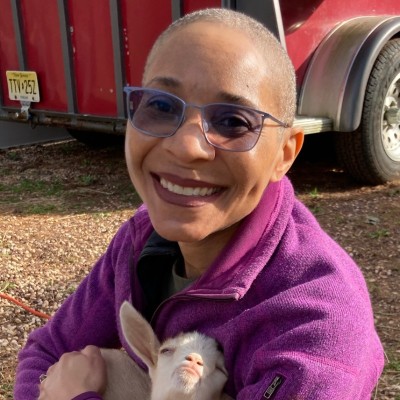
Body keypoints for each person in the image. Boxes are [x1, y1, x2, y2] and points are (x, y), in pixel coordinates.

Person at [15, 8, 384, 400]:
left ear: (284, 153)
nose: (187, 146)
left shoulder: (316, 329)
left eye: (233, 121)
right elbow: (46, 351)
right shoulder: (142, 239)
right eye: (161, 106)